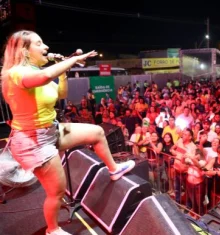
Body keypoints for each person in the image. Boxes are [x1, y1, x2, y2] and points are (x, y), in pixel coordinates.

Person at [1, 30, 135, 235]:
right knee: (56, 192)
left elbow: (61, 93)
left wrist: (63, 73)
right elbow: (46, 75)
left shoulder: (35, 71)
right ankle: (52, 230)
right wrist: (75, 60)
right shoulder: (17, 73)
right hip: (33, 141)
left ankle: (114, 169)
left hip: (50, 131)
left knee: (97, 132)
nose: (46, 47)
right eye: (40, 43)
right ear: (25, 51)